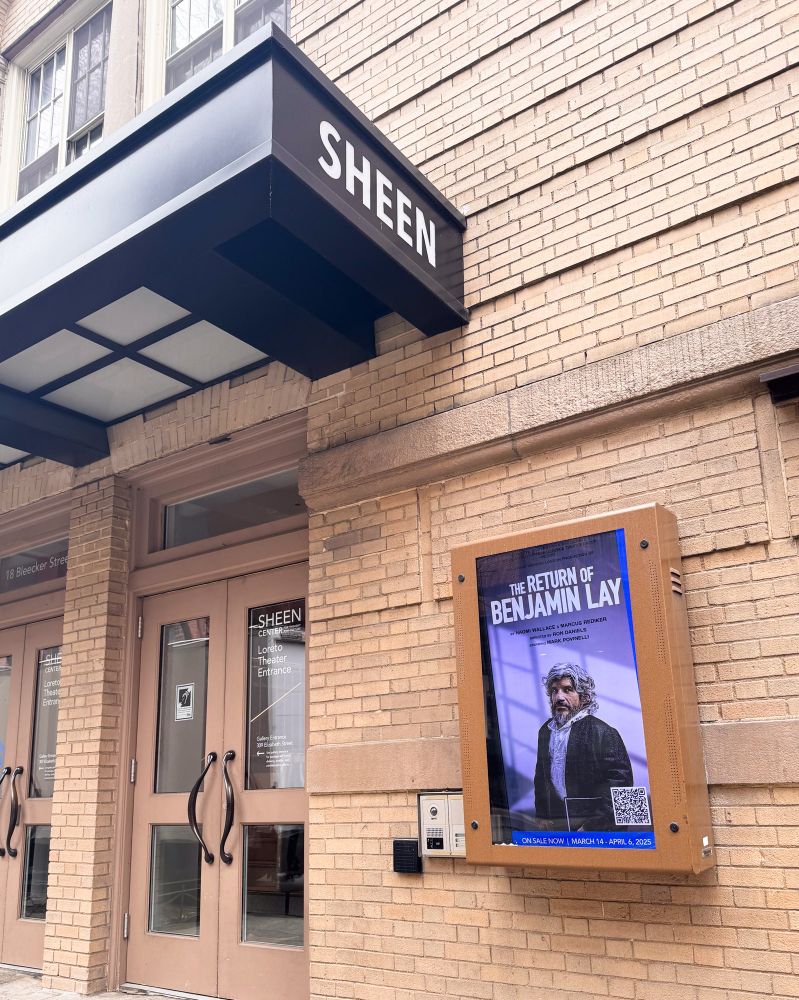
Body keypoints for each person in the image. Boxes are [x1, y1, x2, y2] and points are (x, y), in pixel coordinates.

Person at [533, 663, 633, 831]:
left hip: (596, 829)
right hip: (559, 825)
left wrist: (592, 827)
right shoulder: (545, 731)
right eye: (554, 691)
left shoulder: (604, 732)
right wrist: (542, 814)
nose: (559, 697)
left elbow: (621, 788)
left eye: (567, 690)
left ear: (584, 696)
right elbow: (541, 778)